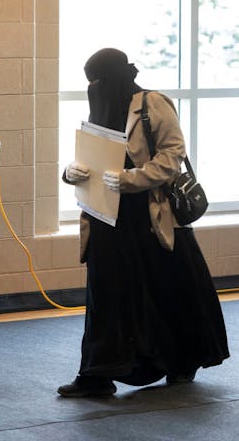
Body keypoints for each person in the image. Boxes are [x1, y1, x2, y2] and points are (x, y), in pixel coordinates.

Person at [58, 48, 229, 397]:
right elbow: (93, 158)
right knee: (105, 296)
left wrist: (131, 179)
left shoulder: (153, 104)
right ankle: (96, 374)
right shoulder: (101, 108)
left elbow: (172, 154)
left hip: (150, 217)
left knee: (165, 290)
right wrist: (70, 173)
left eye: (99, 82)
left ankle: (180, 362)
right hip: (106, 217)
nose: (95, 89)